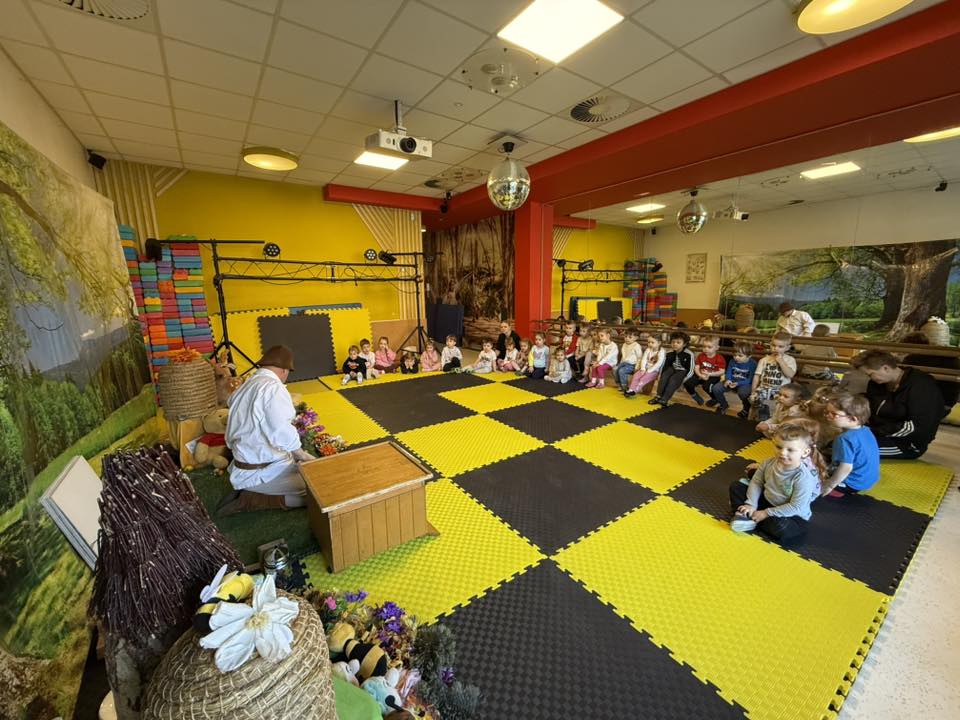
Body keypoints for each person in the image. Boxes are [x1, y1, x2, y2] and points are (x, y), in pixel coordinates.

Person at [219, 345, 314, 515]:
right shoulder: (273, 388)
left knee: (307, 474)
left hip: (246, 461)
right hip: (261, 470)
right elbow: (281, 431)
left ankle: (252, 490)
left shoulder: (248, 383)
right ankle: (254, 499)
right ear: (284, 370)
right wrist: (302, 455)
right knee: (315, 490)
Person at [729, 422, 824, 543]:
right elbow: (756, 482)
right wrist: (751, 504)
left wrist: (766, 513)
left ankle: (751, 518)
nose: (783, 453)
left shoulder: (803, 477)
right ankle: (750, 515)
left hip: (791, 514)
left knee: (780, 527)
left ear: (805, 453)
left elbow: (796, 507)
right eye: (779, 447)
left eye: (790, 450)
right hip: (768, 501)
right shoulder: (768, 463)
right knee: (736, 487)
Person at [861, 350, 945, 459]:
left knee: (852, 448)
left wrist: (874, 431)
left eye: (871, 374)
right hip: (879, 433)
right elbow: (872, 411)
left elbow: (918, 426)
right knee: (843, 440)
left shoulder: (922, 386)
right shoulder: (876, 384)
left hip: (906, 443)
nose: (870, 378)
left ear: (885, 368)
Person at [821, 393, 880, 496]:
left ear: (853, 418)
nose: (828, 416)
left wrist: (830, 485)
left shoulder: (844, 439)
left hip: (852, 484)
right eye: (827, 412)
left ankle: (838, 491)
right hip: (868, 480)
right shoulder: (866, 430)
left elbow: (846, 467)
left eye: (834, 414)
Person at [901, 332, 960, 415]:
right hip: (947, 405)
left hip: (927, 408)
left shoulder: (912, 359)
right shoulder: (949, 355)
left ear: (911, 347)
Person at [751, 332, 797, 421]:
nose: (776, 349)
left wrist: (781, 362)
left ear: (787, 348)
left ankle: (775, 419)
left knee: (781, 406)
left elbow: (790, 374)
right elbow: (756, 376)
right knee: (753, 400)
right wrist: (753, 390)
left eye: (780, 346)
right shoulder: (764, 360)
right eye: (773, 345)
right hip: (764, 388)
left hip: (781, 390)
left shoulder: (790, 360)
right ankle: (756, 417)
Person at [649, 331, 694, 406]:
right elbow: (664, 365)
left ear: (684, 344)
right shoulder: (669, 352)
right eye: (673, 342)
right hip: (672, 368)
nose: (675, 344)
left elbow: (691, 369)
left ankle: (665, 399)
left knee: (673, 380)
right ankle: (658, 396)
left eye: (678, 342)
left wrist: (684, 379)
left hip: (682, 370)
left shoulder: (689, 354)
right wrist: (660, 374)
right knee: (664, 377)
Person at [712, 342, 756, 417]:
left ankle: (746, 409)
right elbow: (728, 372)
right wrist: (728, 380)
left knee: (743, 393)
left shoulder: (753, 364)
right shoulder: (732, 361)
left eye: (740, 356)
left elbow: (750, 379)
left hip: (744, 384)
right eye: (735, 355)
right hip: (731, 382)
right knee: (716, 388)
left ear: (749, 356)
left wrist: (738, 383)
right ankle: (723, 404)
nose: (736, 357)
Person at [684, 335, 726, 407]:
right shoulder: (701, 355)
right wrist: (700, 375)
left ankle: (715, 398)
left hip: (713, 376)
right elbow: (696, 367)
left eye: (709, 347)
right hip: (701, 374)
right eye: (704, 346)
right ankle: (695, 396)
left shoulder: (719, 358)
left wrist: (709, 374)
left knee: (707, 387)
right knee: (687, 383)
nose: (706, 349)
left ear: (717, 348)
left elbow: (722, 371)